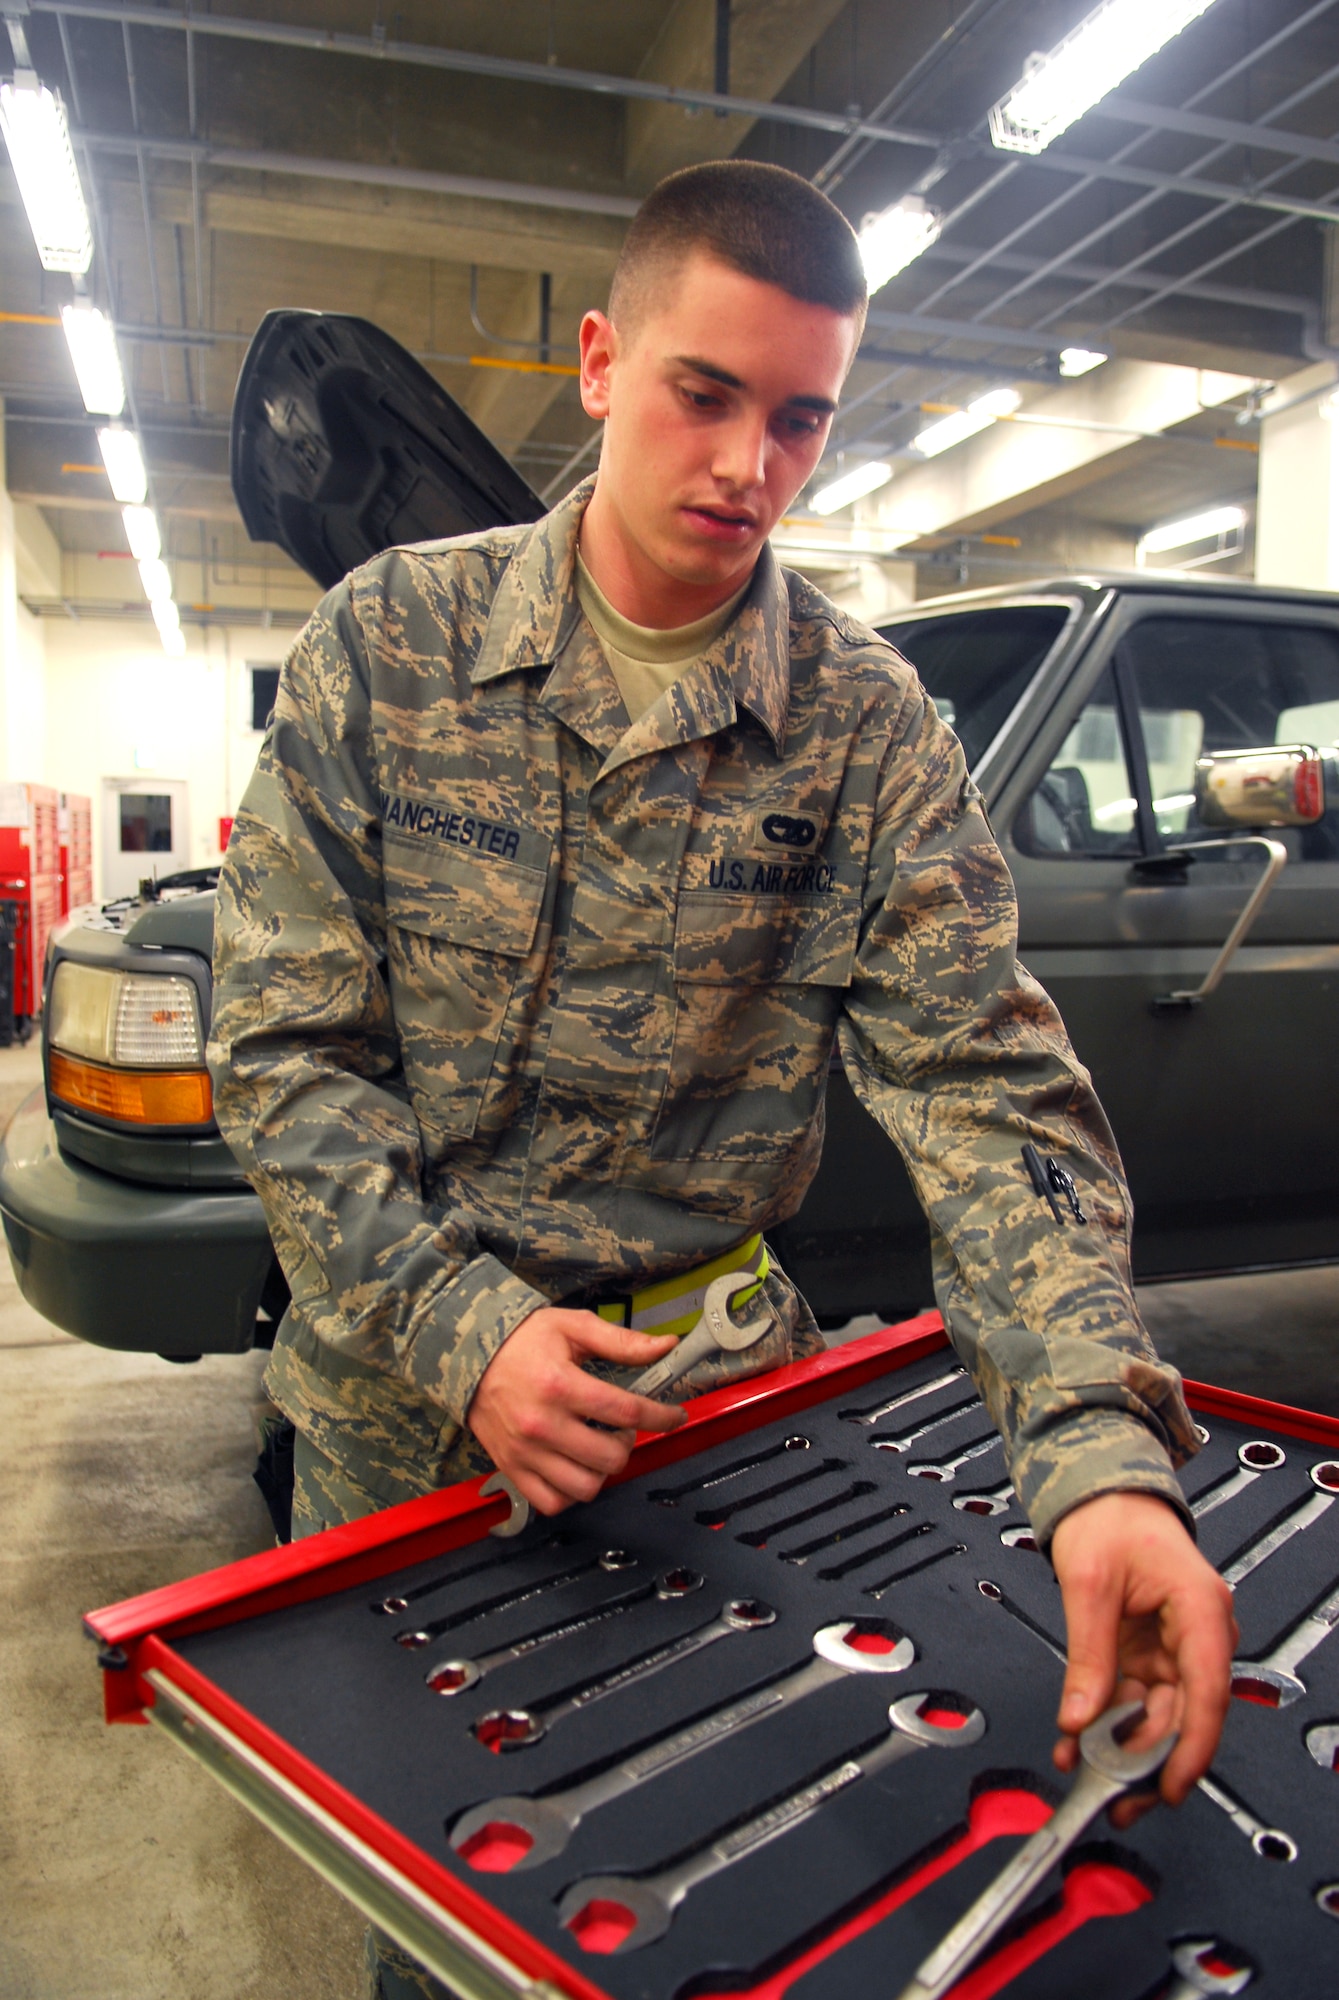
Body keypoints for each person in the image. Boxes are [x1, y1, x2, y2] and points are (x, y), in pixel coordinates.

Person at [209, 160, 1236, 2000]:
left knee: (700, 1896)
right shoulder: (389, 646)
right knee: (445, 1936)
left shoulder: (862, 724)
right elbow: (286, 1056)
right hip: (394, 1435)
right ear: (601, 361)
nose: (749, 464)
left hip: (711, 1430)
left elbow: (994, 1096)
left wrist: (1098, 1459)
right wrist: (465, 1330)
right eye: (705, 393)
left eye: (801, 419)